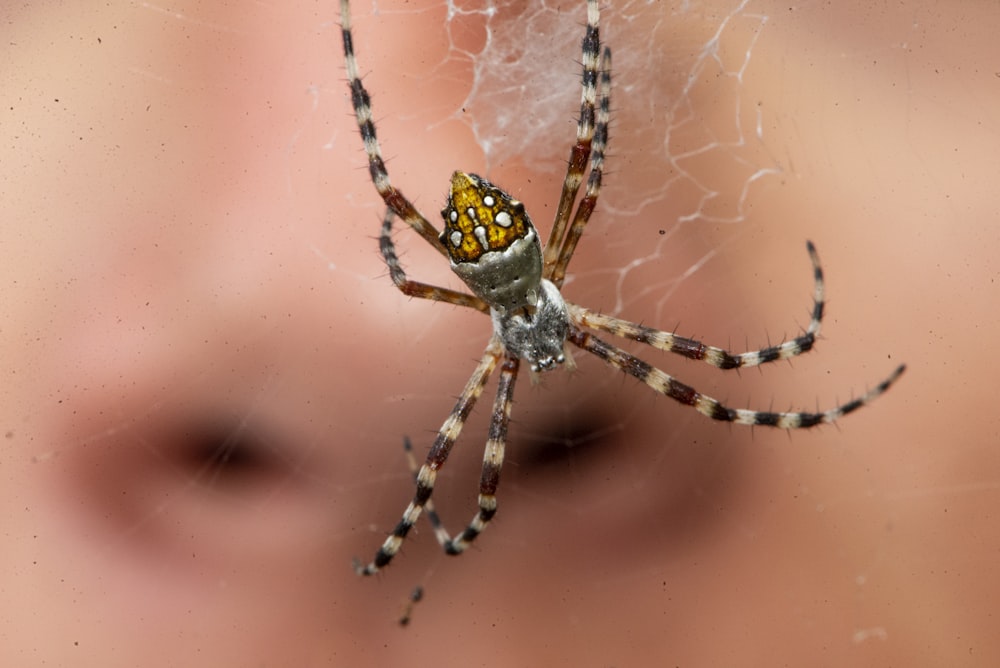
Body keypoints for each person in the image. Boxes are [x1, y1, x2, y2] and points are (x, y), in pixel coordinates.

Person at [2, 1, 996, 665]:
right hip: (509, 269)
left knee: (667, 388)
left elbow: (720, 345)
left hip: (498, 267)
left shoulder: (488, 322)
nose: (418, 357)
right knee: (495, 448)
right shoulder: (509, 318)